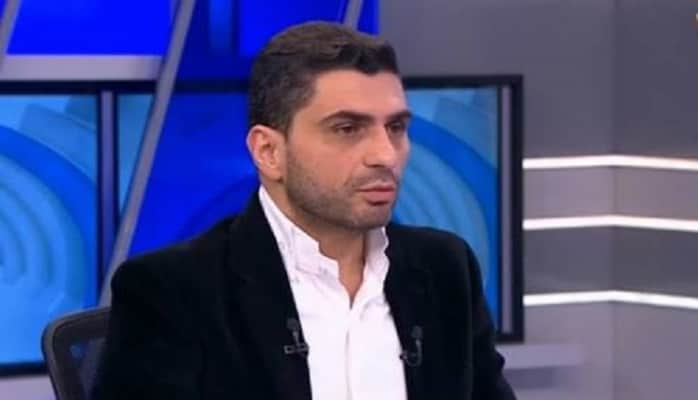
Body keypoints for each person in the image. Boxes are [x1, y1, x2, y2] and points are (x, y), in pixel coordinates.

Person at [93, 21, 516, 400]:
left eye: (396, 127)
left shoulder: (445, 269)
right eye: (347, 129)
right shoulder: (172, 291)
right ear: (269, 152)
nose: (386, 155)